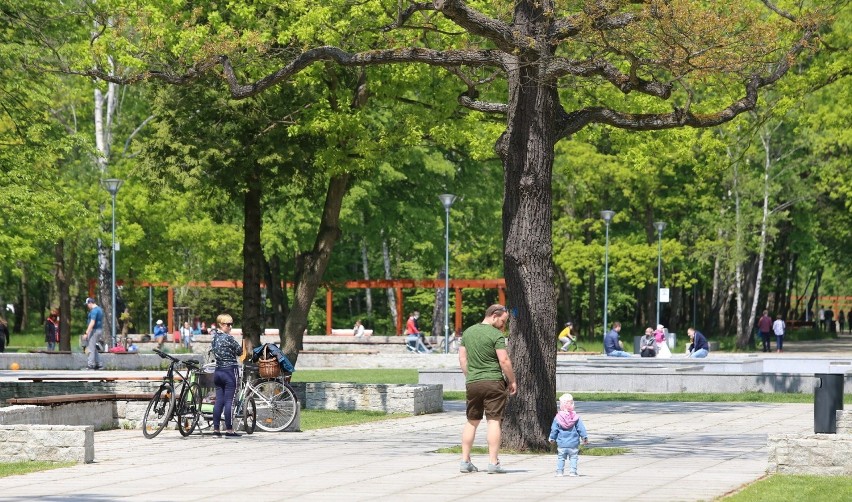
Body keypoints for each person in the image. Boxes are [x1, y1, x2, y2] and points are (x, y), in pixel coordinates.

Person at [459, 304, 516, 474]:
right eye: (502, 321)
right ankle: (493, 463)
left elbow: (462, 358)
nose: (503, 326)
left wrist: (471, 376)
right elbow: (504, 360)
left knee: (472, 421)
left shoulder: (468, 332)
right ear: (494, 315)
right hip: (493, 383)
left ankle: (465, 461)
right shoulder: (496, 335)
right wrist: (512, 380)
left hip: (472, 382)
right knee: (493, 421)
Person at [210, 313, 242, 438]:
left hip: (218, 372)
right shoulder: (229, 338)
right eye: (228, 324)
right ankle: (229, 430)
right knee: (229, 401)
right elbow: (239, 351)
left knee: (219, 401)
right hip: (230, 372)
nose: (230, 327)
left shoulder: (214, 338)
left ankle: (216, 430)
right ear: (221, 324)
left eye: (231, 324)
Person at [548, 393, 589, 477]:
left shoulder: (558, 418)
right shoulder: (575, 417)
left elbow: (554, 429)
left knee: (561, 458)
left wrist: (552, 438)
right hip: (573, 443)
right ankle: (573, 472)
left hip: (562, 443)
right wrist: (584, 437)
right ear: (572, 404)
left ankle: (560, 472)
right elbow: (581, 428)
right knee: (573, 457)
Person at [82, 297, 104, 370]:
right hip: (99, 330)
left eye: (87, 304)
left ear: (90, 303)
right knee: (93, 347)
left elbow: (92, 322)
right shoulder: (100, 309)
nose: (87, 306)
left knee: (90, 348)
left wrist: (86, 333)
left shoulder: (94, 311)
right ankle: (99, 364)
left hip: (94, 330)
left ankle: (90, 365)